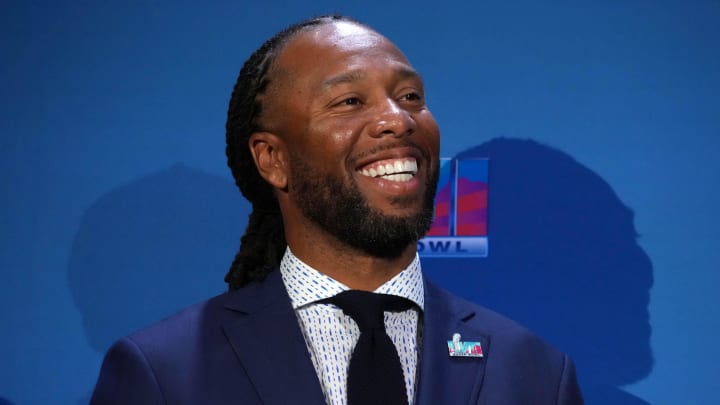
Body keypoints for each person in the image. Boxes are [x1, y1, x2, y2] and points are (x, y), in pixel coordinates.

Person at [90, 15, 584, 405]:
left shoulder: (534, 370)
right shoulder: (163, 371)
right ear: (273, 159)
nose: (397, 119)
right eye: (349, 101)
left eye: (410, 96)